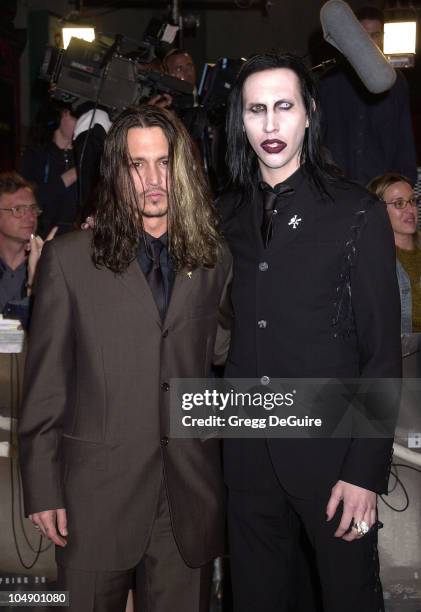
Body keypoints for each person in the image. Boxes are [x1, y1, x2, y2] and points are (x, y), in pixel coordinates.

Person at [18, 105, 232, 612]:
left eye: (163, 163)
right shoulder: (69, 259)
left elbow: (221, 353)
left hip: (186, 499)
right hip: (95, 496)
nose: (152, 180)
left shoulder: (213, 258)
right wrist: (43, 487)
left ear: (181, 170)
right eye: (138, 165)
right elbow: (46, 384)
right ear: (117, 172)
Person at [218, 51, 402, 612]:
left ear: (308, 113)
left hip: (333, 463)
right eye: (256, 110)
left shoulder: (356, 213)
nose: (270, 125)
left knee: (350, 598)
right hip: (248, 461)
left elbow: (381, 354)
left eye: (283, 107)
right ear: (240, 120)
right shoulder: (222, 213)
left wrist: (364, 472)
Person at [318, 6, 417, 187]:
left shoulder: (396, 81)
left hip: (379, 187)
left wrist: (405, 183)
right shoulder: (328, 81)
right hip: (339, 189)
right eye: (364, 35)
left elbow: (404, 137)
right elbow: (319, 138)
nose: (370, 42)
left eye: (375, 35)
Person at [0, 171, 56, 326]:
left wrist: (37, 278)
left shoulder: (51, 266)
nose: (31, 217)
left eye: (33, 209)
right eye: (18, 209)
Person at [368, 172, 421, 334]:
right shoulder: (373, 261)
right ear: (378, 211)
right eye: (399, 204)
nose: (410, 209)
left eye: (412, 201)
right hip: (405, 354)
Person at [20, 102, 78, 237]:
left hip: (71, 238)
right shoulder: (36, 155)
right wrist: (72, 175)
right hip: (40, 236)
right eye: (75, 116)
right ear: (62, 116)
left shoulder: (83, 156)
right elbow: (31, 200)